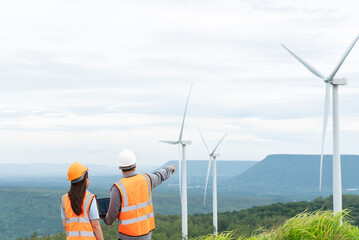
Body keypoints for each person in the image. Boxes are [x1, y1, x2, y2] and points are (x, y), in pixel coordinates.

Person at [101, 149, 175, 240]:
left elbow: (112, 215)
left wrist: (105, 218)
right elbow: (160, 175)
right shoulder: (147, 179)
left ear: (120, 167)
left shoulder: (117, 188)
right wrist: (169, 168)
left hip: (126, 236)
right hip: (146, 235)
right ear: (135, 166)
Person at [60, 161, 104, 240]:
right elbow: (96, 226)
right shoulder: (90, 198)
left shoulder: (64, 199)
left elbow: (65, 225)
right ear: (85, 179)